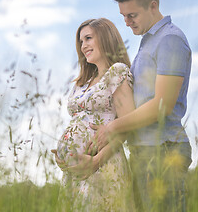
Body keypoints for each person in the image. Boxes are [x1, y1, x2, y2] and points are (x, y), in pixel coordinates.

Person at [81, 0, 192, 212]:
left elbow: (161, 106)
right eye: (123, 16)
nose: (127, 22)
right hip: (146, 150)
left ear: (153, 6)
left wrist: (112, 128)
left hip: (163, 150)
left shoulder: (169, 39)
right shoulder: (148, 40)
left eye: (132, 15)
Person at [52, 18, 136, 211]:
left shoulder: (116, 72)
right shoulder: (83, 81)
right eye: (81, 42)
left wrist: (96, 161)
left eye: (88, 38)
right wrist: (65, 154)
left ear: (106, 38)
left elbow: (128, 125)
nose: (83, 46)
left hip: (103, 165)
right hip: (77, 172)